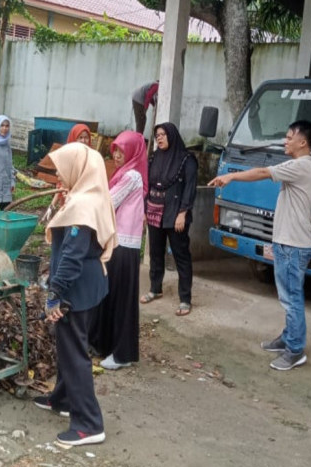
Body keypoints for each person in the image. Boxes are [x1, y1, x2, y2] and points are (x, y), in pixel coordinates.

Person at [208, 120, 311, 371]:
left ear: (303, 142)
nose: (285, 140)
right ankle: (288, 337)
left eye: (290, 137)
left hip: (293, 244)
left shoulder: (301, 166)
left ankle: (295, 350)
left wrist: (231, 175)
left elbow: (262, 173)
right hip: (288, 242)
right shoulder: (302, 167)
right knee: (287, 296)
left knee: (291, 298)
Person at [33, 142, 118, 446]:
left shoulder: (83, 205)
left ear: (79, 168)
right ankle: (62, 399)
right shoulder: (90, 196)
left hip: (76, 289)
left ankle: (88, 424)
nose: (58, 175)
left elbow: (72, 255)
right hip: (90, 284)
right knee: (70, 347)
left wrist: (56, 293)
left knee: (75, 354)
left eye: (62, 169)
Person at [92, 131, 148, 370]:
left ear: (133, 152)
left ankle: (122, 354)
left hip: (125, 245)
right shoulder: (124, 173)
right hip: (117, 243)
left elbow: (109, 202)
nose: (116, 155)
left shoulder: (132, 176)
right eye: (114, 150)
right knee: (109, 294)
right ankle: (104, 344)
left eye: (121, 151)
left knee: (122, 299)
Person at [139, 122, 197, 316]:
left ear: (171, 135)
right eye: (157, 136)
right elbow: (148, 184)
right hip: (155, 211)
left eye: (163, 134)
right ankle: (155, 288)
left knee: (181, 255)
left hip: (175, 214)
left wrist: (183, 213)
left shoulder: (186, 159)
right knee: (155, 252)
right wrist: (146, 209)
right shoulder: (155, 157)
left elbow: (189, 188)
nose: (160, 138)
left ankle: (185, 298)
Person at [42, 123, 94, 224]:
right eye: (80, 138)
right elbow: (61, 182)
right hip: (67, 199)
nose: (83, 141)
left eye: (86, 138)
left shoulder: (92, 158)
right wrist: (52, 206)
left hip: (84, 202)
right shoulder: (68, 157)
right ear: (74, 138)